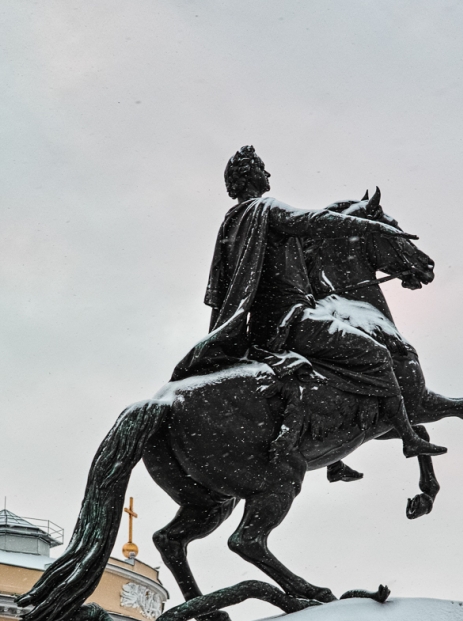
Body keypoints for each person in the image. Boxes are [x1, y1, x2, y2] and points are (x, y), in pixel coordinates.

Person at [173, 146, 445, 458]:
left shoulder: (231, 224)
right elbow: (313, 221)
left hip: (258, 328)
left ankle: (334, 454)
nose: (268, 174)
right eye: (262, 168)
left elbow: (219, 290)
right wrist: (371, 226)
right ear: (250, 176)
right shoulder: (266, 210)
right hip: (291, 319)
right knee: (379, 355)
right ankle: (409, 437)